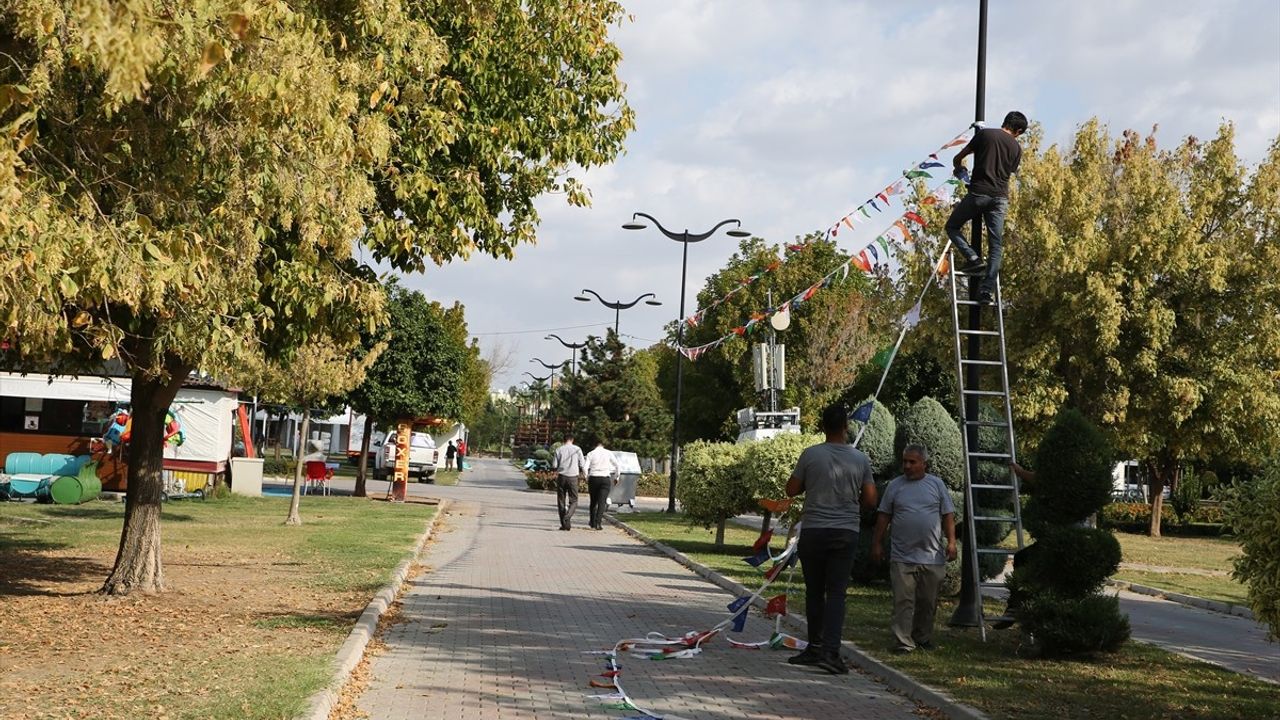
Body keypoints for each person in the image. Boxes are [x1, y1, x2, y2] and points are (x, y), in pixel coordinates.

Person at [783, 403, 878, 675]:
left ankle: (814, 647)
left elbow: (791, 489)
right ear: (846, 427)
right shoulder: (859, 459)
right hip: (845, 532)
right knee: (836, 593)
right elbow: (871, 499)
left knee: (814, 591)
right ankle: (830, 653)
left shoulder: (810, 455)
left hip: (814, 530)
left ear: (822, 426)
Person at [871, 444, 957, 653]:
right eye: (905, 461)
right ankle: (903, 641)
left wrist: (952, 542)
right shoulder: (895, 486)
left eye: (912, 462)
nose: (907, 466)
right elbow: (884, 516)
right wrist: (877, 543)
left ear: (924, 464)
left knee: (927, 602)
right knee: (903, 600)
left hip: (932, 555)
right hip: (902, 555)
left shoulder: (936, 485)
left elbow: (948, 515)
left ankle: (922, 637)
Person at [945, 110, 1029, 305]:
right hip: (1000, 198)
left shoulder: (985, 135)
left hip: (978, 193)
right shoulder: (1017, 148)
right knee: (995, 245)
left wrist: (960, 170)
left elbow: (959, 158)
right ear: (1018, 130)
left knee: (952, 226)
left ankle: (973, 258)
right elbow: (1008, 171)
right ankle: (986, 290)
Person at [583, 440, 620, 530]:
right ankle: (598, 523)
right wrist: (616, 477)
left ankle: (592, 522)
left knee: (593, 501)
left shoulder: (590, 453)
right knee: (602, 502)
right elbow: (617, 465)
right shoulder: (608, 453)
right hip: (605, 478)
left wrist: (586, 477)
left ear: (595, 445)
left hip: (594, 477)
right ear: (603, 445)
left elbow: (585, 467)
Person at [551, 434, 586, 531]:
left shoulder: (559, 449)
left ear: (564, 440)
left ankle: (564, 524)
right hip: (573, 477)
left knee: (561, 500)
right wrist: (585, 474)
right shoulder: (577, 449)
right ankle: (568, 516)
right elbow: (582, 464)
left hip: (562, 477)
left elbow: (554, 464)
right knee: (574, 500)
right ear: (572, 440)